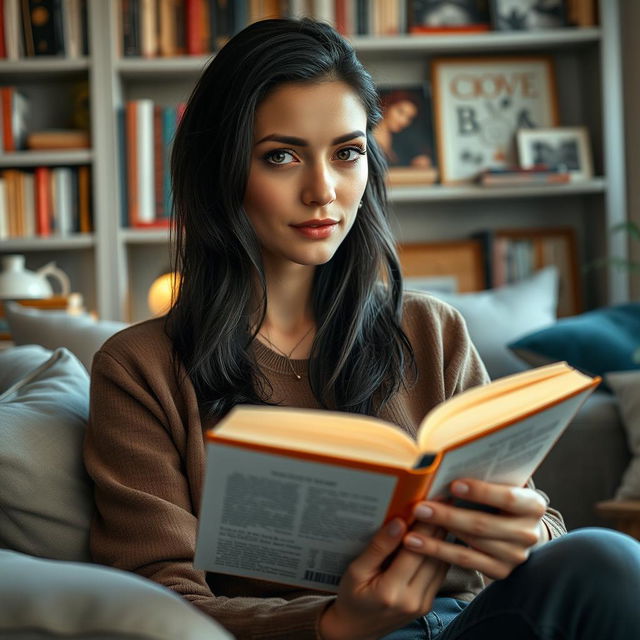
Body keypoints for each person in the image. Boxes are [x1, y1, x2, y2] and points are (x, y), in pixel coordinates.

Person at [84, 17, 640, 640]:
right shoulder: (141, 367)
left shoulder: (431, 329)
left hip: (468, 625)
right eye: (282, 156)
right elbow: (155, 601)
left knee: (607, 560)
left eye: (347, 153)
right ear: (222, 170)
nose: (323, 191)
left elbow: (540, 524)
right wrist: (336, 621)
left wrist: (529, 530)